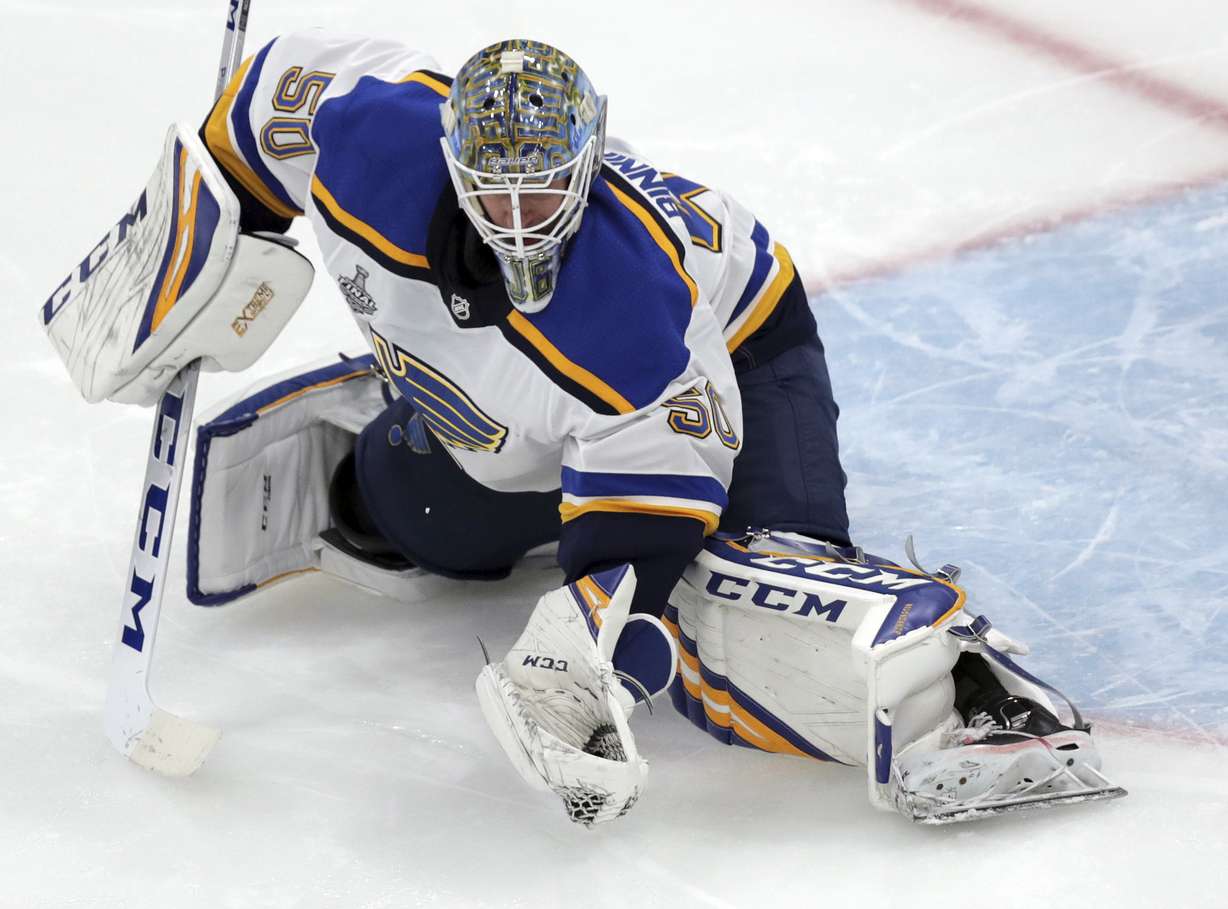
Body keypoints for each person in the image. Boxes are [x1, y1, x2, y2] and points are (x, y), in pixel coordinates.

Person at [40, 29, 1121, 826]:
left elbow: (643, 532)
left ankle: (958, 688)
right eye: (493, 194)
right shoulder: (365, 140)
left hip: (737, 337)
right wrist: (202, 235)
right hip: (534, 384)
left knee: (728, 613)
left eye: (543, 191)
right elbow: (255, 105)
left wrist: (594, 643)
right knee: (420, 518)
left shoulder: (627, 321)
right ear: (453, 161)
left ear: (588, 162)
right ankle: (432, 431)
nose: (519, 223)